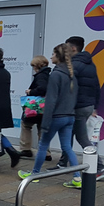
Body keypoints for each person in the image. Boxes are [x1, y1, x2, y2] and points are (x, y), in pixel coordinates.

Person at [18, 44, 83, 189]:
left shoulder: (56, 75)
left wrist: (46, 121)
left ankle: (34, 175)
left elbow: (51, 100)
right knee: (67, 147)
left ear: (58, 57)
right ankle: (77, 177)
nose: (51, 56)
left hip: (56, 116)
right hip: (69, 116)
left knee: (43, 145)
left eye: (53, 54)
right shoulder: (72, 75)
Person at [54, 36, 104, 180]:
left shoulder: (74, 64)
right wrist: (95, 106)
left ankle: (100, 167)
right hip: (87, 105)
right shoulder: (90, 64)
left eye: (67, 47)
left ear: (73, 48)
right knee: (70, 134)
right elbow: (97, 87)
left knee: (81, 137)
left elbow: (68, 87)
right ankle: (62, 163)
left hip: (77, 106)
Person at [19, 55, 52, 161]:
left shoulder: (41, 76)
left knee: (26, 125)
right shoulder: (48, 75)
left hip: (36, 107)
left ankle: (26, 149)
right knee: (42, 129)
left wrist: (30, 92)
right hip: (45, 107)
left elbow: (42, 89)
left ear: (36, 66)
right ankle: (46, 152)